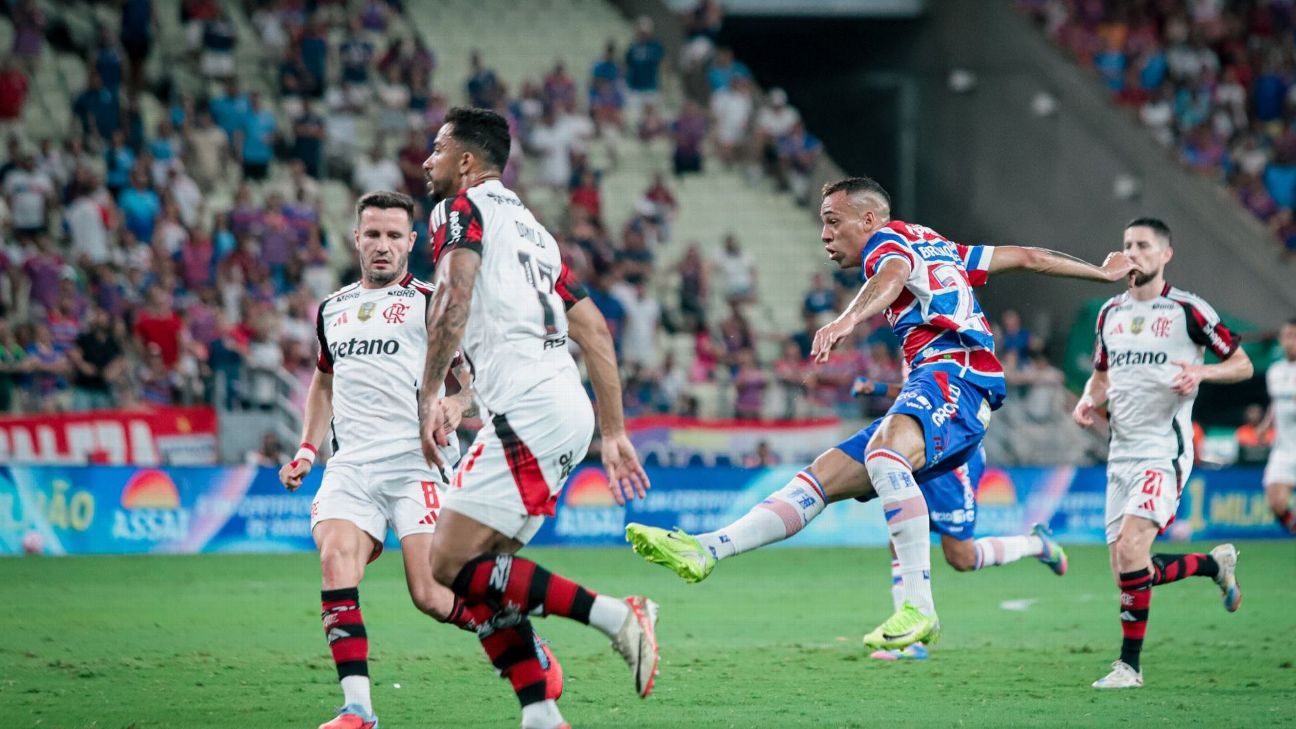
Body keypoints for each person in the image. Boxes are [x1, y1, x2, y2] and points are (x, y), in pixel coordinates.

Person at [626, 175, 1134, 652]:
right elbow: (1026, 256)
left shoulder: (886, 244)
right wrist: (1101, 272)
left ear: (868, 220)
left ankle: (919, 608)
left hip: (956, 377)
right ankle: (707, 549)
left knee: (889, 460)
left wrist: (845, 320)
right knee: (822, 477)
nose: (825, 235)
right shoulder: (939, 245)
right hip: (938, 385)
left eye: (833, 221)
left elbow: (891, 275)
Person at [277, 192, 560, 729]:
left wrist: (457, 402)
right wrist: (307, 451)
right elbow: (324, 381)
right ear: (356, 239)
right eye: (372, 234)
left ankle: (515, 635)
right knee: (335, 561)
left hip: (417, 463)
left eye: (393, 236)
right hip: (352, 467)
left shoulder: (434, 302)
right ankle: (358, 710)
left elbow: (476, 377)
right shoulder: (332, 308)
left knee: (430, 594)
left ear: (411, 242)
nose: (382, 245)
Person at [419, 107, 658, 729]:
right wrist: (613, 431)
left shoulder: (460, 211)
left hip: (528, 407)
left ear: (465, 161)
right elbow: (594, 329)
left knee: (446, 563)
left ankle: (617, 615)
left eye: (438, 149)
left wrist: (429, 393)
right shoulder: (535, 233)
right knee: (483, 576)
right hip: (561, 406)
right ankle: (541, 714)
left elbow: (453, 296)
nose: (427, 160)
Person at [1073, 217, 1252, 689]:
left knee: (1132, 548)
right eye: (1127, 245)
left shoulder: (1188, 311)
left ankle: (1129, 667)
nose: (1133, 253)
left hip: (1164, 451)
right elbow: (1101, 375)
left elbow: (1242, 364)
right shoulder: (1109, 312)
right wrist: (1088, 399)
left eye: (1144, 246)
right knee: (1129, 571)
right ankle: (1214, 565)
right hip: (1120, 455)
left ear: (1166, 254)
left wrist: (1202, 373)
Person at [847, 375, 1068, 662]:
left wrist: (878, 388)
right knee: (899, 540)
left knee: (962, 557)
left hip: (952, 454)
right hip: (921, 448)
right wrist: (876, 388)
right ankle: (911, 639)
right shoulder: (915, 352)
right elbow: (914, 393)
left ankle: (1037, 544)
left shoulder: (950, 351)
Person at [1262, 319, 1296, 533]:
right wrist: (1266, 424)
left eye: (1293, 336)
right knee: (1276, 502)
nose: (1289, 341)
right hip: (1284, 448)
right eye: (1286, 336)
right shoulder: (1275, 371)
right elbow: (1275, 403)